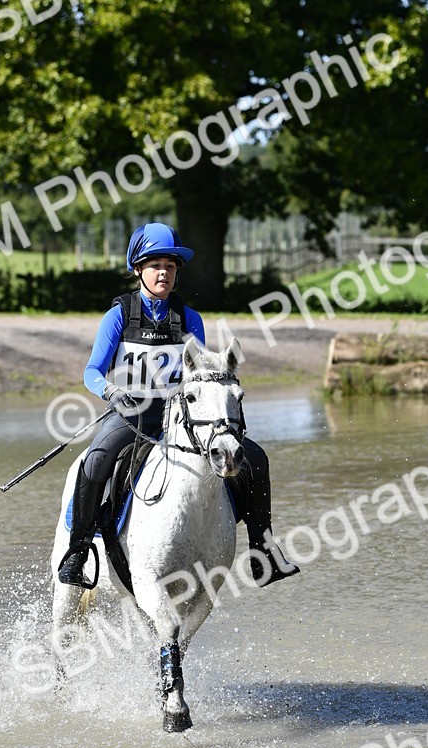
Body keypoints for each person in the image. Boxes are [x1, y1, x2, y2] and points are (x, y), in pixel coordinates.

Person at [57, 221, 300, 589]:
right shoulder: (119, 315)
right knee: (94, 462)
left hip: (182, 420)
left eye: (170, 267)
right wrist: (109, 391)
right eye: (156, 265)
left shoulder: (190, 319)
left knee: (256, 459)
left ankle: (262, 550)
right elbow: (92, 370)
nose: (164, 273)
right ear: (138, 268)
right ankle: (78, 553)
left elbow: (202, 377)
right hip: (132, 416)